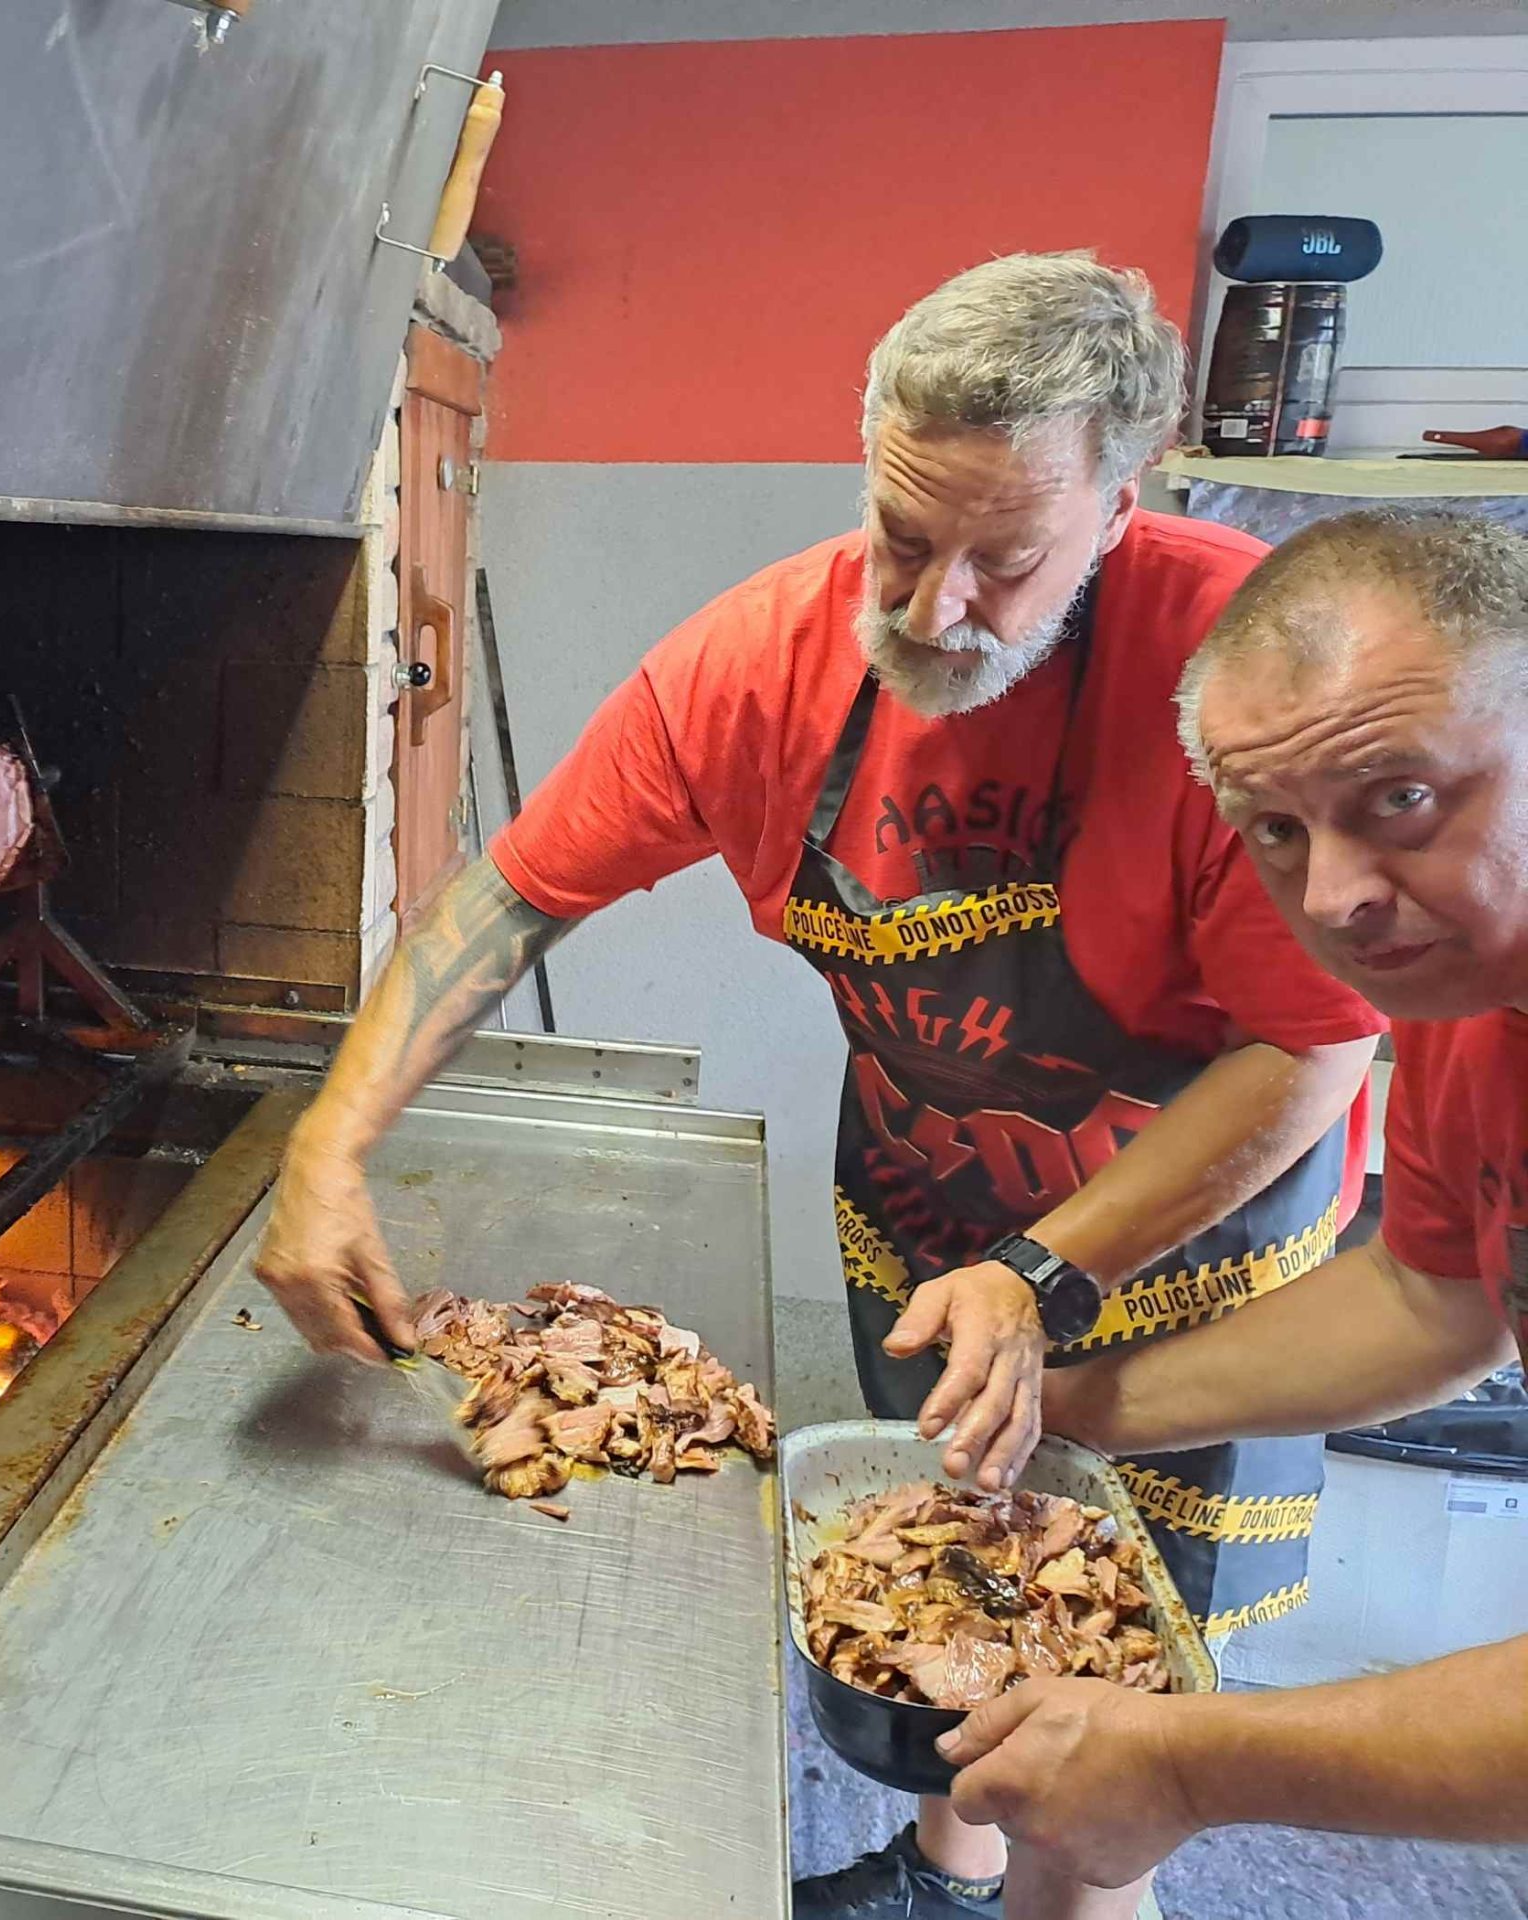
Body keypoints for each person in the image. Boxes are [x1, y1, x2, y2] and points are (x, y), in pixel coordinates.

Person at [252, 252, 1386, 1920]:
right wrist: (326, 1147)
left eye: (1005, 563)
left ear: (1122, 499)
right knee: (937, 1584)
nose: (933, 610)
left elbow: (1310, 1047)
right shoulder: (762, 665)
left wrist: (1047, 1270)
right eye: (902, 538)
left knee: (1109, 1707)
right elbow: (509, 899)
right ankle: (946, 1868)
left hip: (1185, 1249)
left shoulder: (1248, 676)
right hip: (933, 1203)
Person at [942, 509, 1528, 1886]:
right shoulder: (1467, 1005)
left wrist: (1192, 1762)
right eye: (1276, 829)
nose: (1332, 897)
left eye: (1401, 798)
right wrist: (1070, 1414)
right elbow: (1433, 1297)